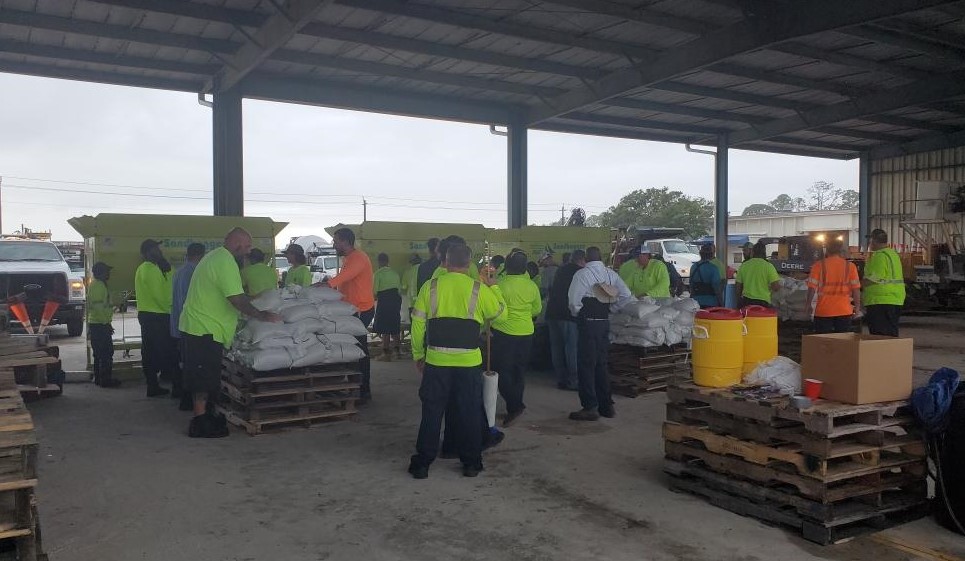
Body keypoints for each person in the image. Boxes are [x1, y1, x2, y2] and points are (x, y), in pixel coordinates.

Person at [408, 243, 506, 479]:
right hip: (468, 363)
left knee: (431, 412)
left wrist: (418, 355)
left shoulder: (430, 287)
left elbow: (418, 324)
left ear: (445, 261)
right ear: (469, 262)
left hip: (436, 361)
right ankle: (471, 463)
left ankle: (422, 463)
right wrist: (494, 288)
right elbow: (501, 316)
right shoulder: (478, 289)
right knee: (469, 412)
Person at [179, 228, 282, 438]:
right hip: (203, 328)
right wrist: (262, 316)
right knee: (202, 378)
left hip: (207, 328)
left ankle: (206, 414)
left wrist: (255, 298)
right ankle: (200, 422)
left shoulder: (217, 257)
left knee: (208, 377)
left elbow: (235, 294)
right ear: (237, 244)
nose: (247, 252)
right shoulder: (225, 262)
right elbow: (236, 299)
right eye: (246, 247)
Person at [567, 246, 632, 421]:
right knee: (601, 364)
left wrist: (578, 313)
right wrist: (611, 308)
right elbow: (626, 294)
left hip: (588, 323)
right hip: (604, 322)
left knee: (586, 365)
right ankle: (606, 405)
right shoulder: (611, 274)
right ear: (601, 257)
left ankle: (590, 407)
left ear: (586, 259)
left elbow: (574, 301)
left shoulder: (581, 275)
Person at [491, 251, 542, 427]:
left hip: (504, 333)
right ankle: (516, 404)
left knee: (501, 370)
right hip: (526, 332)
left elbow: (492, 310)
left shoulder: (500, 284)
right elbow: (537, 310)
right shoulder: (532, 286)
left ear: (506, 267)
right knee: (519, 371)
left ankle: (515, 405)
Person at [327, 228, 376, 402]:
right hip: (350, 310)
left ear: (346, 241)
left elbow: (343, 278)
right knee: (351, 350)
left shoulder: (358, 258)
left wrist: (326, 285)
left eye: (336, 241)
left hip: (361, 310)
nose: (334, 244)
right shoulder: (348, 258)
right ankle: (352, 385)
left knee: (360, 351)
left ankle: (364, 390)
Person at [135, 239, 175, 397]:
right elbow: (161, 295)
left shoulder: (148, 268)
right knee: (163, 351)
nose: (160, 251)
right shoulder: (150, 269)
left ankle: (153, 384)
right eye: (155, 249)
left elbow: (167, 286)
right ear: (147, 253)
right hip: (157, 315)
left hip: (150, 314)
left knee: (151, 351)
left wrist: (168, 270)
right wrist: (172, 310)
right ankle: (156, 384)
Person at [170, 242, 205, 408]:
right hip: (190, 326)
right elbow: (190, 301)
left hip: (179, 323)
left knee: (183, 361)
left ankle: (181, 393)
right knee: (192, 364)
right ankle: (187, 399)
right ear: (201, 255)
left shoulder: (179, 272)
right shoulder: (194, 273)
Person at [547, 249, 585, 391]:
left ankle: (561, 379)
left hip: (552, 313)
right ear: (582, 260)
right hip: (567, 314)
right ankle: (574, 381)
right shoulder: (580, 272)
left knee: (556, 347)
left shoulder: (561, 270)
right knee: (571, 347)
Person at [807, 238, 862, 334]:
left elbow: (811, 288)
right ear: (841, 250)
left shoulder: (818, 266)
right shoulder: (850, 266)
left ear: (826, 249)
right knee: (842, 343)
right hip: (844, 311)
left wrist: (808, 305)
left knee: (824, 344)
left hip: (823, 311)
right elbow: (856, 289)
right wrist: (857, 308)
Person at [862, 229, 906, 337]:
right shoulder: (892, 254)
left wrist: (856, 286)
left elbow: (874, 278)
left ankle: (883, 354)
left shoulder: (879, 256)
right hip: (894, 299)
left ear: (873, 241)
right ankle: (890, 353)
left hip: (880, 300)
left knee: (879, 335)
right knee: (890, 334)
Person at [88, 261, 120, 388]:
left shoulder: (97, 285)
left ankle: (99, 378)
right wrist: (106, 323)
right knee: (106, 353)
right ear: (101, 273)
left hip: (98, 323)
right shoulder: (99, 286)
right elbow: (99, 308)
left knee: (99, 353)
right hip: (100, 324)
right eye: (107, 271)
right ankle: (105, 379)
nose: (109, 274)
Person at [372, 253, 403, 361]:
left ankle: (386, 352)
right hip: (396, 299)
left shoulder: (378, 274)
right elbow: (399, 290)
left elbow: (374, 292)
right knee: (394, 324)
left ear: (379, 262)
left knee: (385, 325)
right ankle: (397, 351)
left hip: (384, 300)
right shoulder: (395, 273)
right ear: (388, 261)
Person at [735, 242, 781, 308]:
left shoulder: (744, 265)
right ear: (764, 252)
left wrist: (739, 300)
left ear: (753, 252)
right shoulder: (769, 266)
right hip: (763, 303)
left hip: (746, 302)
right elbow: (776, 287)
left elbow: (738, 287)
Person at [690, 244, 724, 308]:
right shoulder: (713, 268)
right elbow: (717, 288)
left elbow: (691, 286)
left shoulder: (693, 267)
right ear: (711, 255)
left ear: (700, 254)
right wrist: (721, 303)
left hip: (695, 303)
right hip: (711, 303)